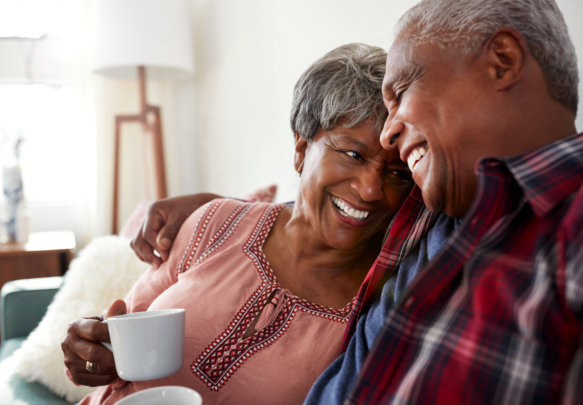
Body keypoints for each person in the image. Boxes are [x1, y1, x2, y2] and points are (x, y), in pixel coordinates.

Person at [133, 0, 583, 403]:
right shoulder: (434, 214)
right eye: (353, 152)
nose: (389, 132)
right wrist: (213, 211)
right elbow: (308, 216)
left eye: (401, 90)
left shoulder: (564, 228)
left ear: (502, 62)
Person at [61, 43, 415, 404]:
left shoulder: (378, 309)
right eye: (353, 155)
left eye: (397, 173)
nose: (372, 189)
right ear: (301, 147)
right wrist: (90, 349)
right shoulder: (215, 222)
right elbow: (119, 331)